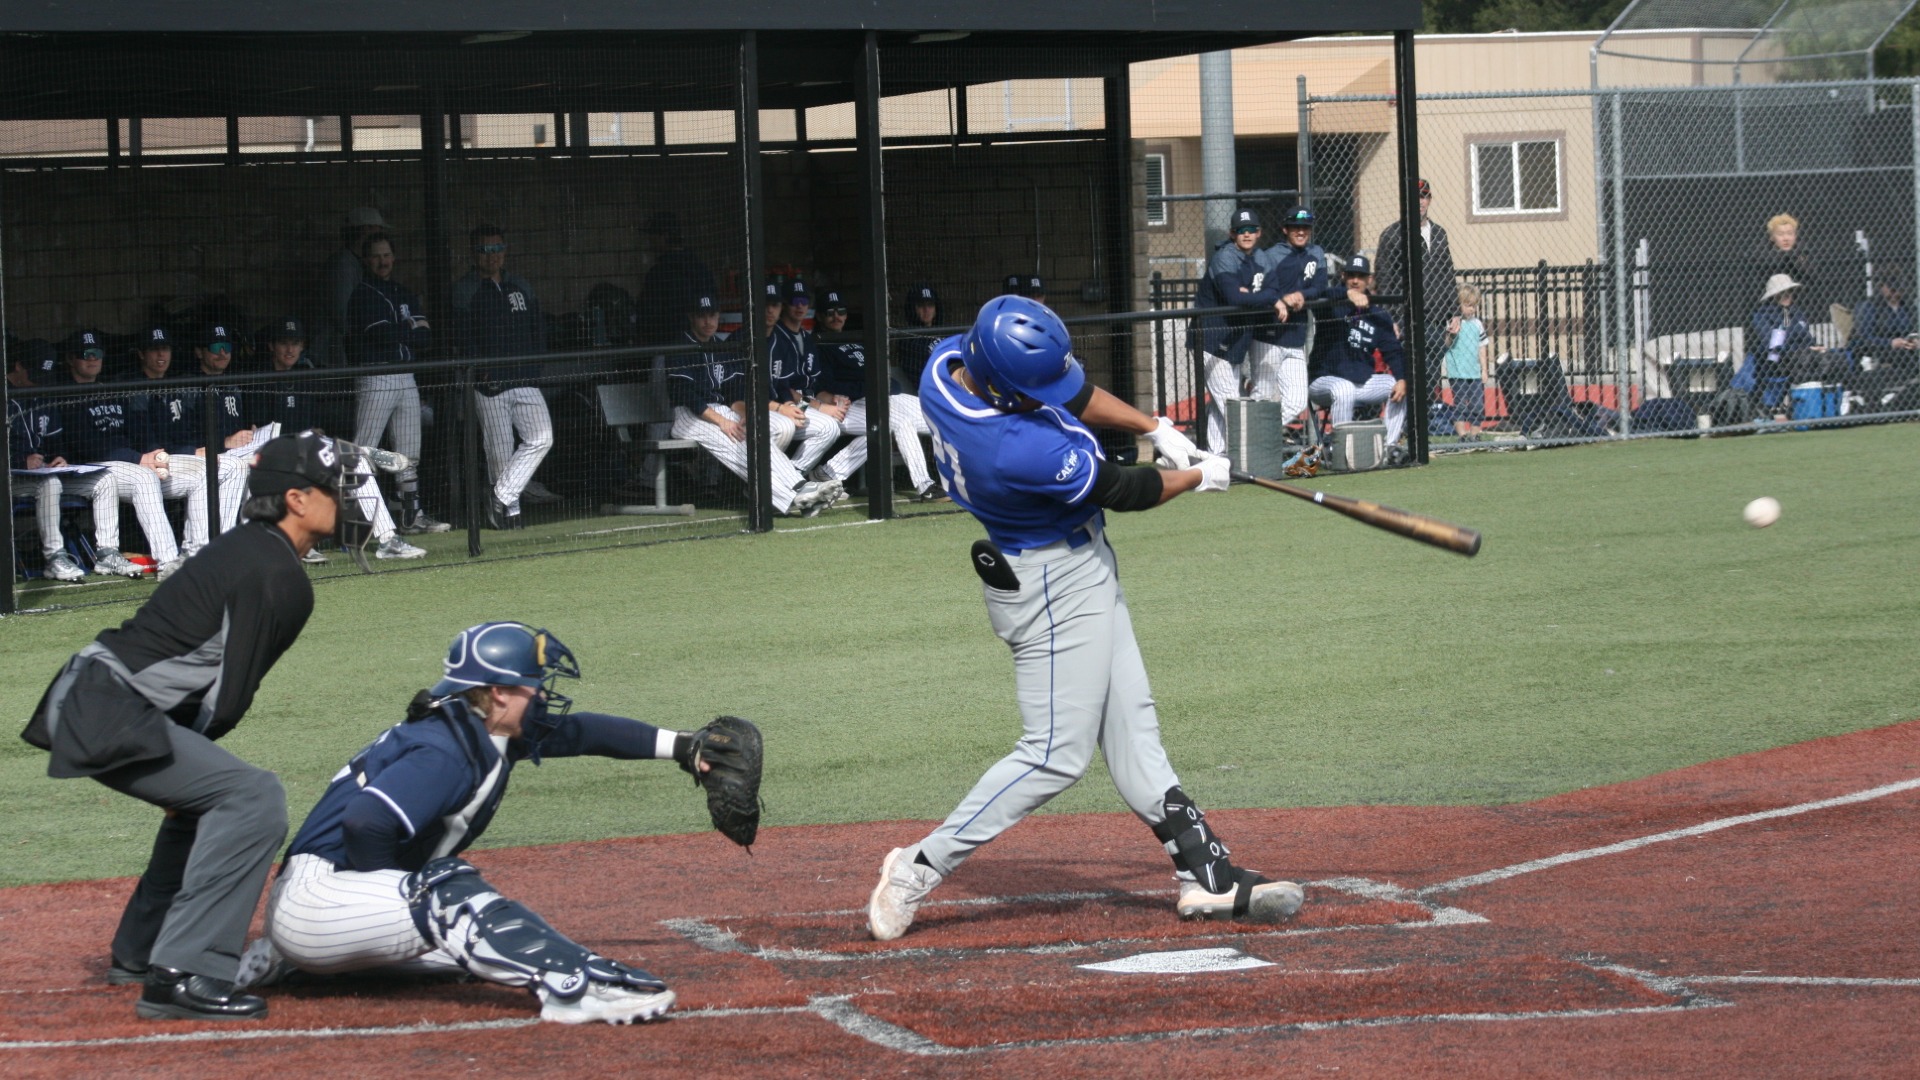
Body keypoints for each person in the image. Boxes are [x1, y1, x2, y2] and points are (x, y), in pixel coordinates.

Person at [867, 296, 1304, 941]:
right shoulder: (1013, 449)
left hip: (1078, 567)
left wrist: (1155, 427)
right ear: (1003, 387)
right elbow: (1123, 490)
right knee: (1054, 753)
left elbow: (1070, 395)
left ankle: (1203, 874)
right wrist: (1196, 476)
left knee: (1133, 727)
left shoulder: (949, 363)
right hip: (1051, 584)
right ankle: (917, 867)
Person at [20, 430, 368, 1021]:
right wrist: (195, 756)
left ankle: (143, 952)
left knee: (208, 801)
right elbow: (224, 702)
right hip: (107, 704)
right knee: (252, 797)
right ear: (297, 499)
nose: (342, 495)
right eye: (332, 485)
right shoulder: (276, 573)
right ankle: (184, 972)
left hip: (96, 694)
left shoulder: (254, 550)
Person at [233, 621, 706, 1025]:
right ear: (499, 691)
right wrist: (390, 889)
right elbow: (365, 821)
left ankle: (289, 961)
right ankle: (573, 991)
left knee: (487, 945)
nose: (543, 694)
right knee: (447, 892)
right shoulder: (445, 751)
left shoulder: (484, 725)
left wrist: (684, 746)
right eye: (533, 683)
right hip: (320, 903)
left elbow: (583, 732)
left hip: (333, 905)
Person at [253, 317, 425, 563]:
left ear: (303, 346)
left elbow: (314, 425)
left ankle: (388, 541)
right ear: (272, 346)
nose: (290, 349)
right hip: (269, 452)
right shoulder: (259, 377)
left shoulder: (305, 375)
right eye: (283, 343)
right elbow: (255, 429)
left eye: (295, 343)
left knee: (356, 464)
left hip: (305, 451)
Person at [667, 292, 842, 516]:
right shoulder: (681, 346)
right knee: (737, 448)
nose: (709, 321)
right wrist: (722, 422)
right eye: (702, 316)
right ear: (692, 317)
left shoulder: (720, 346)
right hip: (690, 416)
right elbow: (684, 394)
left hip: (718, 410)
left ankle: (800, 487)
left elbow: (733, 392)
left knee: (757, 440)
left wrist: (744, 414)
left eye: (712, 315)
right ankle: (794, 499)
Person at [53, 330, 189, 579]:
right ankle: (168, 560)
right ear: (71, 359)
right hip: (87, 467)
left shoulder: (111, 389)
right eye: (86, 354)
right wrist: (139, 459)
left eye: (97, 353)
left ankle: (195, 552)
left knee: (186, 476)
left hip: (124, 462)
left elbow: (135, 429)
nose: (93, 359)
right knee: (144, 478)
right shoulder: (65, 393)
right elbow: (87, 445)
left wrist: (151, 454)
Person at [6, 340, 140, 580]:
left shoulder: (42, 394)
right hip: (12, 478)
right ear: (18, 367)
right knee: (50, 484)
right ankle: (55, 557)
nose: (40, 381)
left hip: (45, 474)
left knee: (104, 480)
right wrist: (18, 460)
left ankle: (107, 553)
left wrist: (60, 457)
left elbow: (56, 441)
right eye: (35, 374)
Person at [450, 225, 552, 531]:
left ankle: (500, 496)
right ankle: (510, 512)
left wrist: (535, 368)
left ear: (505, 251)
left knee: (542, 437)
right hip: (489, 384)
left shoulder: (520, 285)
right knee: (499, 449)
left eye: (497, 249)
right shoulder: (465, 289)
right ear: (474, 253)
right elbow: (462, 338)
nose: (491, 256)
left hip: (524, 378)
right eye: (484, 250)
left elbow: (538, 329)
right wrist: (481, 372)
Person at [347, 231, 448, 534]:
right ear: (366, 260)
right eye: (376, 256)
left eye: (387, 255)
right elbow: (380, 334)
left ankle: (410, 515)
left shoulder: (403, 292)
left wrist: (403, 331)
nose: (382, 261)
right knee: (362, 451)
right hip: (377, 376)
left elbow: (426, 337)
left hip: (406, 375)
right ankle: (355, 519)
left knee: (408, 452)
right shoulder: (363, 293)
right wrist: (408, 330)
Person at [807, 289, 943, 502]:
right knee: (899, 422)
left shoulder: (856, 338)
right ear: (820, 316)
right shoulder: (819, 344)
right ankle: (925, 485)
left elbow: (883, 374)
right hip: (851, 405)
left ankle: (827, 473)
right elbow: (826, 386)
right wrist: (870, 386)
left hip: (884, 396)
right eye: (830, 312)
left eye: (840, 311)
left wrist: (883, 384)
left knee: (939, 415)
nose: (836, 316)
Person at [1192, 208, 1287, 454]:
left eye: (1251, 230)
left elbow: (1275, 290)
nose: (1246, 234)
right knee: (1230, 403)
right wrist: (1266, 298)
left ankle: (1215, 457)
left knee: (1220, 403)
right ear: (1232, 234)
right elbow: (1234, 296)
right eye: (1241, 230)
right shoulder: (1225, 257)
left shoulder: (1262, 259)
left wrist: (1256, 296)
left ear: (1259, 233)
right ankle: (1250, 457)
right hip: (1211, 339)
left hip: (1234, 342)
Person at [1307, 255, 1410, 449]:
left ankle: (1386, 448)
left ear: (1369, 280)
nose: (1355, 281)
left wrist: (1402, 378)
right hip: (1323, 381)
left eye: (1360, 276)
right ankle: (1342, 450)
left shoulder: (1379, 315)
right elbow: (1320, 294)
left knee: (1395, 385)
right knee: (1343, 389)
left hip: (1359, 382)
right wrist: (1346, 294)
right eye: (1351, 276)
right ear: (1343, 276)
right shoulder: (1331, 305)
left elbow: (1393, 351)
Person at [1249, 205, 1334, 432]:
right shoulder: (1270, 256)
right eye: (1296, 227)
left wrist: (1301, 295)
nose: (1301, 232)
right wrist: (1281, 298)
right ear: (1285, 229)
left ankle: (1260, 436)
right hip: (1268, 337)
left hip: (1295, 339)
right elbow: (1260, 290)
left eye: (1305, 228)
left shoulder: (1315, 253)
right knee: (1262, 396)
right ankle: (1250, 446)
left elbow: (1320, 286)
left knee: (1297, 400)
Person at [1374, 178, 1461, 396]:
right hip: (1407, 320)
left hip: (1436, 319)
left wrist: (1455, 312)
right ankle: (1405, 427)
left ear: (1429, 199)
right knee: (1407, 377)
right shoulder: (1393, 235)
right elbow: (1384, 280)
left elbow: (1447, 274)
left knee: (1430, 378)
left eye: (1424, 196)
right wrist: (1390, 318)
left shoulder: (1439, 233)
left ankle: (1419, 427)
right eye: (1415, 197)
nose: (1420, 202)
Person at [765, 279, 844, 476]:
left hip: (805, 400)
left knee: (838, 419)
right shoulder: (777, 336)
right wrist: (819, 406)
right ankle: (792, 478)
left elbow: (815, 386)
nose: (800, 306)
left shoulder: (807, 337)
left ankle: (792, 477)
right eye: (794, 301)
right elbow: (786, 388)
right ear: (785, 305)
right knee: (829, 427)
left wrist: (835, 400)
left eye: (803, 301)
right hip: (786, 402)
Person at [1743, 273, 1833, 416]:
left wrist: (1815, 347)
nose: (1786, 295)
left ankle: (1822, 406)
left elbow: (1806, 338)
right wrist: (1802, 347)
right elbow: (1773, 346)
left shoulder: (1796, 313)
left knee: (1833, 357)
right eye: (1781, 292)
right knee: (1804, 358)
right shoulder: (1761, 316)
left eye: (1789, 291)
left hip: (1800, 356)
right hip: (1774, 361)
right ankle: (1791, 407)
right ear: (1773, 295)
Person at [317, 207, 390, 367]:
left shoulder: (357, 262)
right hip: (336, 356)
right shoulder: (343, 265)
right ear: (366, 229)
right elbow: (342, 315)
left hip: (351, 352)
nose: (381, 235)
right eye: (379, 229)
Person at [635, 210, 717, 346]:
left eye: (653, 235)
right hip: (699, 345)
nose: (650, 240)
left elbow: (647, 317)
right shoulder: (700, 267)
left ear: (664, 236)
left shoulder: (659, 273)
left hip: (667, 347)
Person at [1848, 271, 1917, 408]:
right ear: (1882, 287)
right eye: (1890, 287)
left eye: (1899, 287)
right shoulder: (1870, 307)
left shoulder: (1908, 307)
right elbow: (1863, 338)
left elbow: (1914, 329)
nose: (1895, 291)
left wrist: (1915, 341)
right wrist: (1890, 343)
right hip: (1882, 351)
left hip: (1908, 353)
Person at [1443, 284, 1490, 440]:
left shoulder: (1477, 324)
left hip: (1474, 372)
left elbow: (1482, 347)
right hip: (1458, 372)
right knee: (1460, 404)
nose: (1472, 309)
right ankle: (1462, 434)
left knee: (1477, 405)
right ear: (1459, 305)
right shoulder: (1454, 322)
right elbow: (1447, 344)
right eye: (1468, 305)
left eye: (1474, 306)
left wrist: (1484, 369)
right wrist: (1452, 335)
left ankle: (1475, 434)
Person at [894, 283, 944, 391]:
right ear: (913, 308)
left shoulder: (945, 333)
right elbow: (919, 377)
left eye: (930, 305)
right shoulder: (908, 340)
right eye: (921, 306)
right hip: (932, 391)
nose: (926, 310)